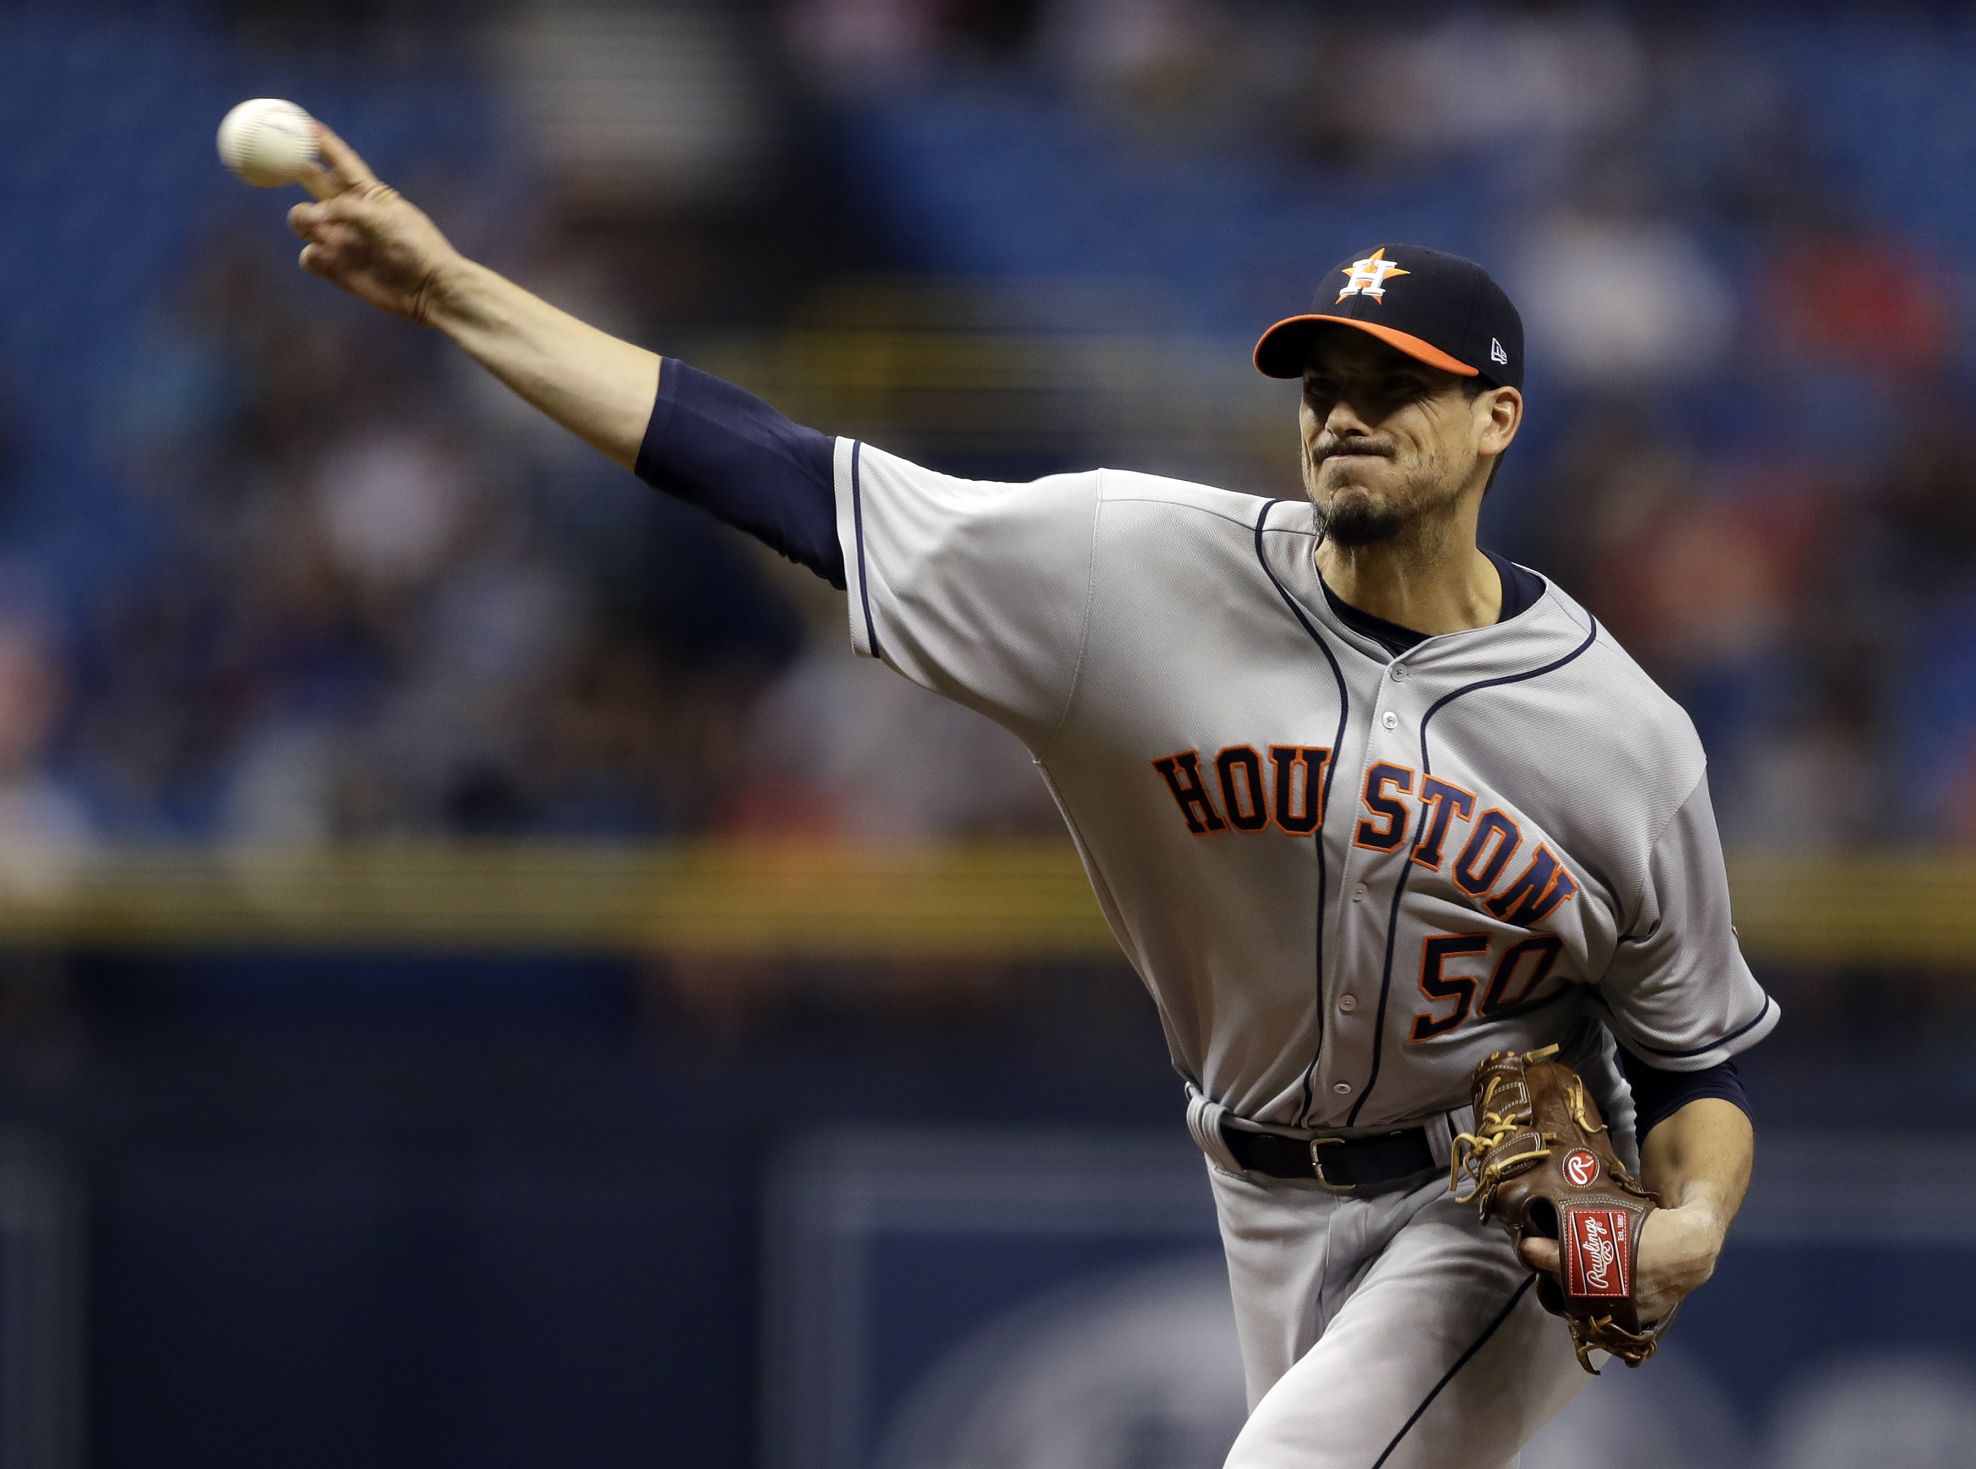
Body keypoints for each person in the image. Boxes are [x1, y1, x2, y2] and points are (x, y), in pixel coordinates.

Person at [284, 128, 1775, 1468]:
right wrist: (453, 291)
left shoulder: (1620, 733)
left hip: (1498, 1210)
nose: (1344, 414)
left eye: (1396, 385)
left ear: (1497, 420)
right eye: (1324, 383)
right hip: (1255, 1182)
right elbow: (775, 472)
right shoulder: (1124, 572)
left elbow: (1696, 1060)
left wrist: (1691, 1223)